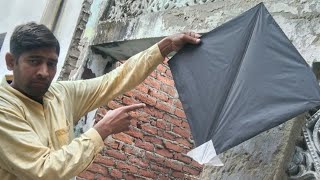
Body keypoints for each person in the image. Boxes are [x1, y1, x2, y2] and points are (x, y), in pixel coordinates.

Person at [0, 22, 201, 179]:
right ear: (11, 61)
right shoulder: (4, 109)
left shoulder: (58, 94)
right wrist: (102, 130)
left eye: (51, 64)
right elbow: (45, 169)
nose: (44, 72)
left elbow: (113, 81)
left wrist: (165, 46)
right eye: (34, 61)